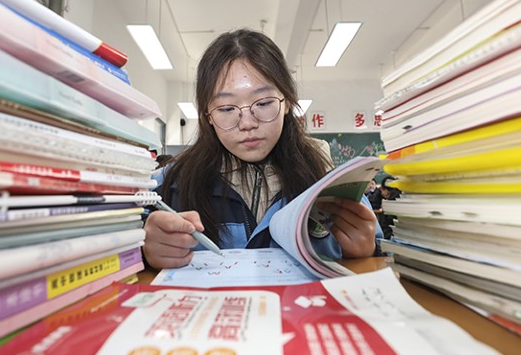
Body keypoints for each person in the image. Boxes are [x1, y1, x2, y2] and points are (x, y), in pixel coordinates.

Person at [142, 29, 382, 269]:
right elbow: (115, 249)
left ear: (286, 102)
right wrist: (141, 247)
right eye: (226, 108)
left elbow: (382, 259)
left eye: (264, 103)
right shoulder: (167, 186)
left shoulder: (332, 184)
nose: (247, 123)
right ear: (209, 116)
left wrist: (366, 251)